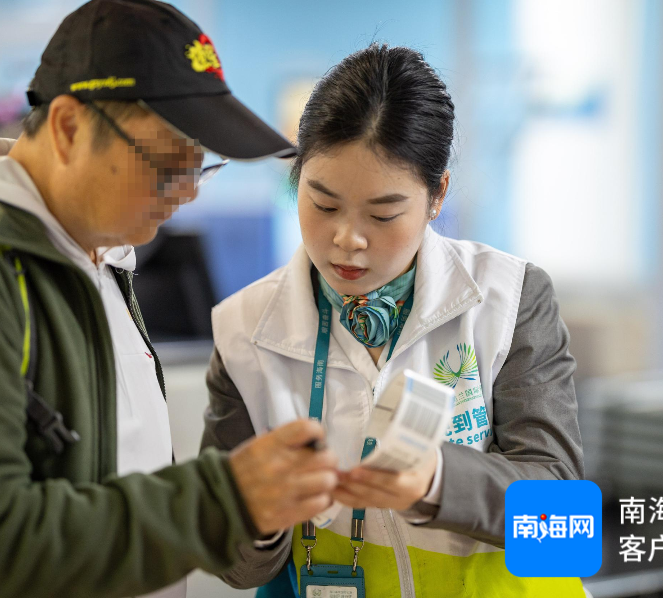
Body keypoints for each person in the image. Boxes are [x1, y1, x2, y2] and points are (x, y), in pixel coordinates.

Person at [0, 0, 339, 596]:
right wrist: (220, 500)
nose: (185, 194)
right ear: (70, 128)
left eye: (200, 168)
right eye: (163, 166)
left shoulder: (100, 261)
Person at [201, 44, 586, 597]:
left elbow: (563, 526)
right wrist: (261, 512)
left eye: (384, 214)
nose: (347, 240)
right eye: (324, 204)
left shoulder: (506, 300)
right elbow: (235, 567)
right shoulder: (245, 332)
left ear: (437, 196)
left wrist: (436, 482)